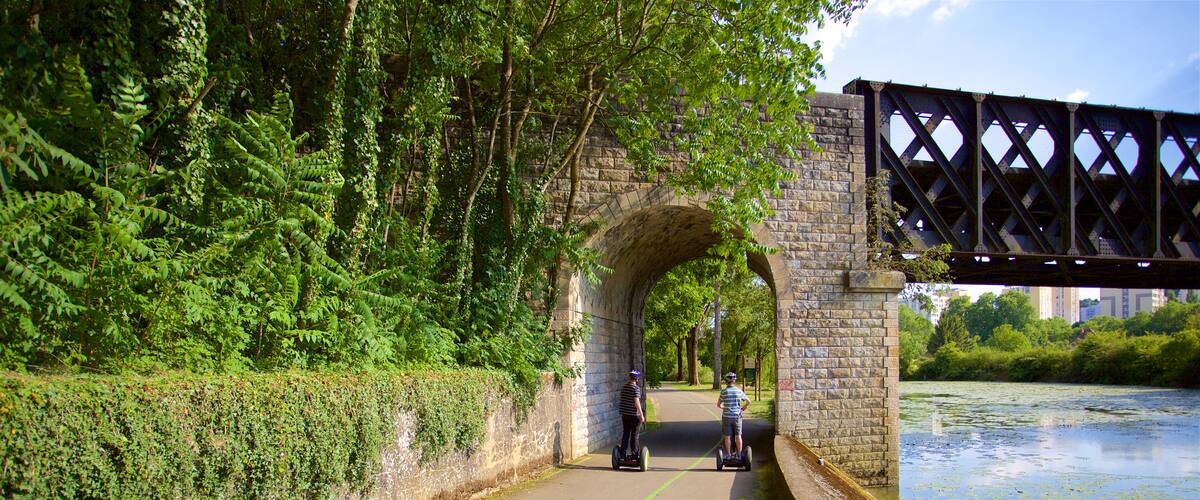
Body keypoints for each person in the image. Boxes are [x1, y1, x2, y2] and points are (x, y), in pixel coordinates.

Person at [717, 372, 750, 457]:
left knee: (727, 436)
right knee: (738, 435)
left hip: (726, 417)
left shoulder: (724, 392)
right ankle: (739, 455)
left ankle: (728, 455)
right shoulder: (738, 391)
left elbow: (718, 405)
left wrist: (723, 407)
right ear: (734, 381)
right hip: (737, 417)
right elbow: (748, 401)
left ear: (726, 381)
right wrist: (744, 407)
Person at [618, 369, 645, 458]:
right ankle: (634, 455)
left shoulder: (624, 387)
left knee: (626, 433)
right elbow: (636, 402)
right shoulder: (636, 388)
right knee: (634, 435)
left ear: (630, 377)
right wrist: (641, 415)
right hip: (634, 415)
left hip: (625, 414)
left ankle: (622, 454)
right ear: (637, 379)